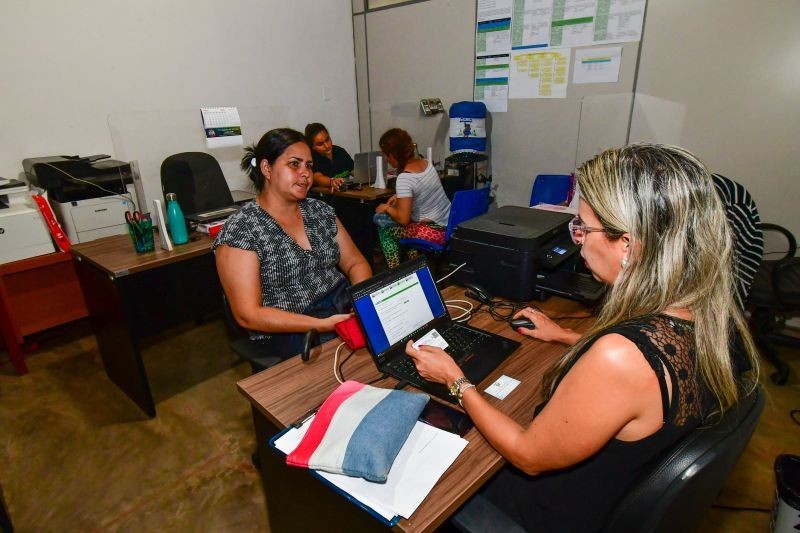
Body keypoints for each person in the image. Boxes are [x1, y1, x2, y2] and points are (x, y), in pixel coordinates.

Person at [404, 143, 759, 531]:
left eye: (583, 228)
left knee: (434, 464)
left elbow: (528, 456)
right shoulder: (711, 316)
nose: (577, 240)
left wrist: (455, 380)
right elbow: (649, 380)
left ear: (628, 244)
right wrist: (567, 336)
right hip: (608, 491)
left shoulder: (620, 356)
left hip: (549, 513)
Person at [214, 128, 371, 364]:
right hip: (292, 327)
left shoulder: (319, 211)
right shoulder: (242, 230)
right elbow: (248, 315)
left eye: (308, 165)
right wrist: (321, 325)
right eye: (294, 164)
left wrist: (360, 302)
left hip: (343, 307)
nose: (305, 173)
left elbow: (355, 262)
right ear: (267, 168)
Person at [374, 128, 451, 268]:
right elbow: (424, 190)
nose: (386, 159)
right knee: (404, 226)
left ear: (392, 155)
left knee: (381, 223)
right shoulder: (426, 163)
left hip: (434, 232)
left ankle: (395, 271)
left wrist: (386, 208)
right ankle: (414, 263)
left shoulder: (405, 178)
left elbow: (403, 219)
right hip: (449, 226)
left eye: (386, 155)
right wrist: (400, 196)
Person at [304, 123, 354, 192]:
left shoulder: (340, 151)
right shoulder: (311, 158)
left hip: (349, 193)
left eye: (327, 140)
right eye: (320, 144)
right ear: (312, 147)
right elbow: (317, 178)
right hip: (327, 197)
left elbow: (352, 169)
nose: (327, 146)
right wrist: (331, 181)